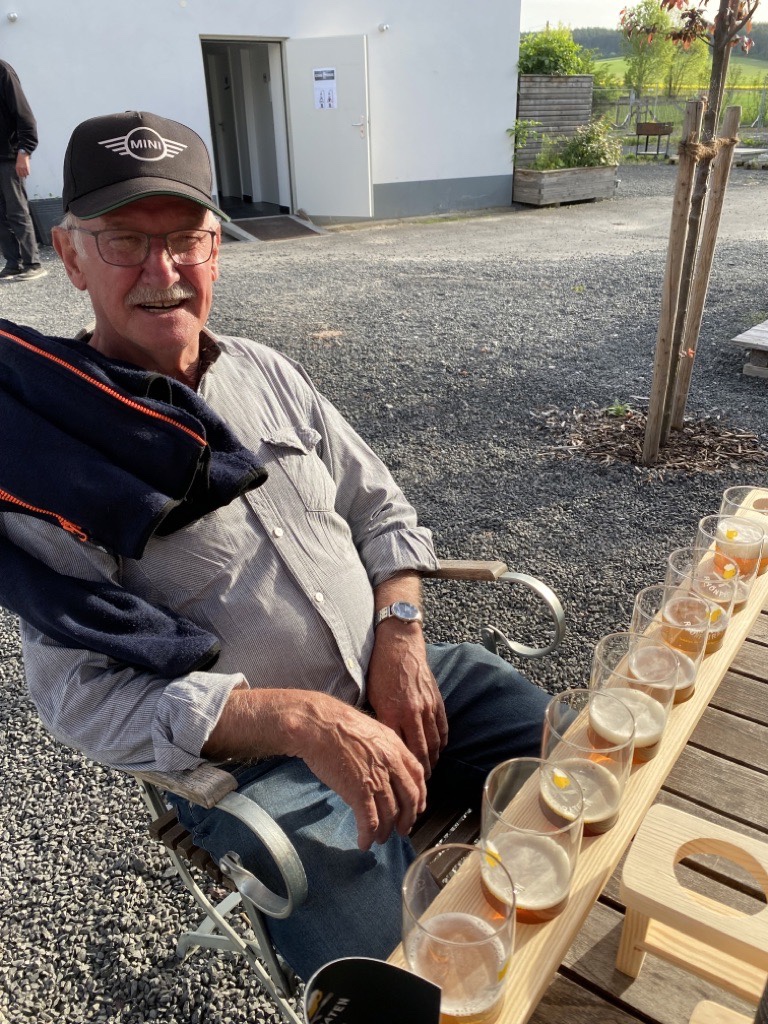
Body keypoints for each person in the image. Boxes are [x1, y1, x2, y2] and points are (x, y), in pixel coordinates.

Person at [0, 110, 550, 981]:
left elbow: (381, 510)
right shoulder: (50, 452)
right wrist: (297, 719)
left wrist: (402, 634)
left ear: (216, 247)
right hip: (266, 768)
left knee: (590, 765)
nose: (162, 272)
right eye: (124, 242)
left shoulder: (266, 370)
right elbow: (77, 697)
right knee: (401, 983)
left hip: (398, 668)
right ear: (70, 257)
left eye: (186, 238)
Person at [0, 60, 45, 281]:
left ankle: (32, 263)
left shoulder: (2, 71)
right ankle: (12, 264)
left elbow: (24, 114)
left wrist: (25, 150)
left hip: (9, 157)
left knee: (16, 211)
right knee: (1, 216)